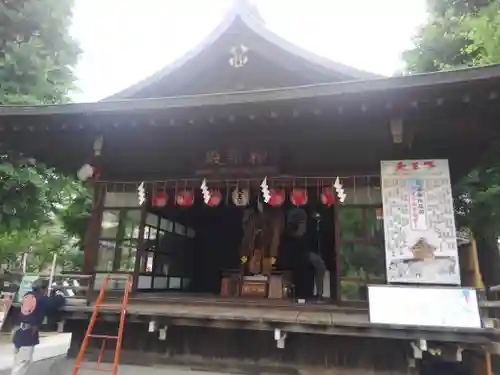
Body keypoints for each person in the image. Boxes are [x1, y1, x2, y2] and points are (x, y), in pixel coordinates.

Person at [11, 278, 66, 375]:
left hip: (18, 331)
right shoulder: (41, 299)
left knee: (18, 361)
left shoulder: (27, 295)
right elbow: (57, 302)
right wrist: (59, 292)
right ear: (43, 289)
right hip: (27, 334)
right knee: (22, 363)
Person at [285, 208, 327, 302]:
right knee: (317, 267)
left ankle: (318, 293)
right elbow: (297, 236)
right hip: (302, 253)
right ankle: (316, 293)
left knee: (319, 267)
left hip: (306, 253)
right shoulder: (296, 227)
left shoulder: (310, 227)